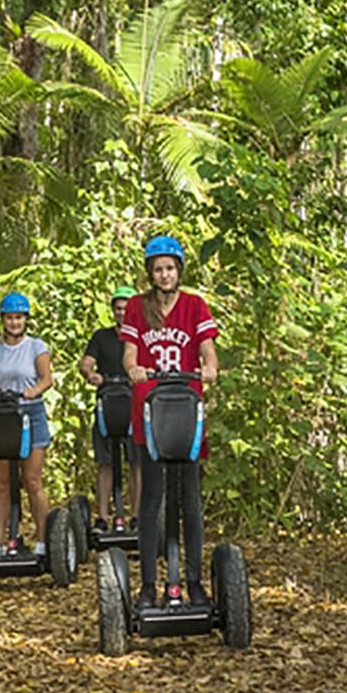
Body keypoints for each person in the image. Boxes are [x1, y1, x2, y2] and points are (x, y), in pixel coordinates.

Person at [122, 235, 220, 610]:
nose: (164, 274)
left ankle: (193, 582)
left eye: (170, 268)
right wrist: (134, 369)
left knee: (189, 498)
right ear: (151, 272)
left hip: (186, 409)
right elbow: (130, 354)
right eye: (158, 268)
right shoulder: (137, 307)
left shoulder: (195, 306)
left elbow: (208, 351)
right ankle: (148, 584)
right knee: (152, 498)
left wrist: (209, 368)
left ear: (179, 270)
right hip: (150, 409)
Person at [0, 292, 53, 555]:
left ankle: (43, 541)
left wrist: (34, 390)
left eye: (19, 318)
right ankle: (0, 541)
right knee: (2, 484)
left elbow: (47, 379)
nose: (14, 323)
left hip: (30, 413)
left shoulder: (36, 346)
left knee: (32, 480)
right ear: (3, 320)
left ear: (25, 320)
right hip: (4, 415)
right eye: (10, 318)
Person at [79, 287, 140, 529]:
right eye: (118, 308)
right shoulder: (101, 337)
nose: (122, 313)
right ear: (113, 310)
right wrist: (90, 374)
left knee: (135, 462)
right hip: (107, 402)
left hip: (133, 403)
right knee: (105, 462)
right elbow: (86, 363)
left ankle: (136, 516)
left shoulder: (141, 337)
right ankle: (103, 517)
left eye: (127, 309)